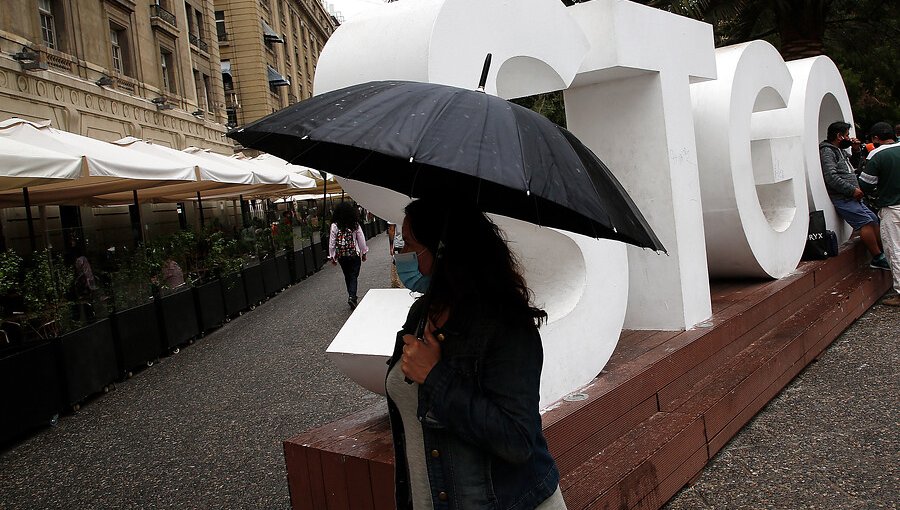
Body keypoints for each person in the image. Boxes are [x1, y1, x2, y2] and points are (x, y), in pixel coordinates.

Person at [387, 198, 565, 509]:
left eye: (409, 245)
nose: (400, 255)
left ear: (442, 251)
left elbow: (517, 440)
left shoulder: (505, 326)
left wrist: (435, 377)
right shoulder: (421, 312)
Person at [819, 121, 888, 269]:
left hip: (852, 197)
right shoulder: (828, 151)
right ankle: (877, 256)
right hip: (843, 197)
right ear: (839, 136)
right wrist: (851, 190)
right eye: (847, 135)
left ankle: (881, 252)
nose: (849, 138)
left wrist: (856, 151)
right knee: (865, 222)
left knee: (873, 218)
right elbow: (831, 176)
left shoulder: (840, 151)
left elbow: (853, 167)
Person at [859, 122, 900, 306]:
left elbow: (866, 184)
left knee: (895, 250)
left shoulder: (877, 154)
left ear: (876, 138)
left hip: (892, 207)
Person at [328, 201, 368, 309]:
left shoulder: (335, 225)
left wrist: (332, 256)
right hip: (354, 254)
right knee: (354, 275)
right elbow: (361, 239)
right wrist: (364, 252)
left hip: (342, 255)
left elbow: (332, 242)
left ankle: (351, 295)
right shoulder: (354, 224)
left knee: (347, 275)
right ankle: (352, 296)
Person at [387, 222, 405, 288]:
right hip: (412, 243)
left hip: (399, 244)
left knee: (398, 268)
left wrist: (391, 246)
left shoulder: (393, 212)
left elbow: (391, 229)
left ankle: (400, 287)